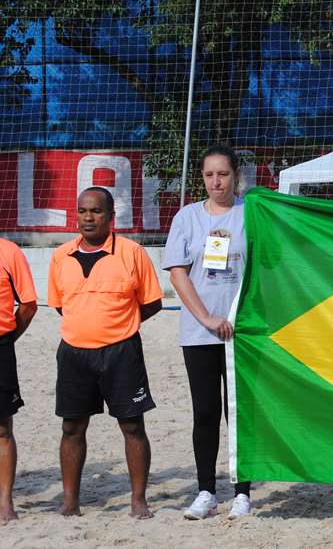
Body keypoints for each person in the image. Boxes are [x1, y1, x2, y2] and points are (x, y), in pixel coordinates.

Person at [48, 187, 163, 518]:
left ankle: (138, 500)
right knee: (72, 428)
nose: (88, 217)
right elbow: (60, 306)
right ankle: (70, 501)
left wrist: (117, 324)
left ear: (111, 217)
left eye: (96, 211)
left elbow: (152, 301)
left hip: (122, 352)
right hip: (73, 353)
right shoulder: (60, 257)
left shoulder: (131, 252)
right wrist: (88, 324)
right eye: (82, 210)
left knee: (132, 426)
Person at [162, 146, 252, 520]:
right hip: (199, 334)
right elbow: (178, 273)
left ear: (236, 176)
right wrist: (207, 318)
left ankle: (243, 493)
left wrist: (239, 317)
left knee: (240, 413)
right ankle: (205, 491)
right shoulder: (187, 218)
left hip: (242, 334)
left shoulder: (252, 214)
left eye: (223, 174)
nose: (217, 182)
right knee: (206, 412)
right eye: (209, 175)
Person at [0, 238, 38, 524]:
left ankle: (5, 502)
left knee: (2, 429)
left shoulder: (9, 251)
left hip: (1, 345)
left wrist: (9, 339)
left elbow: (28, 304)